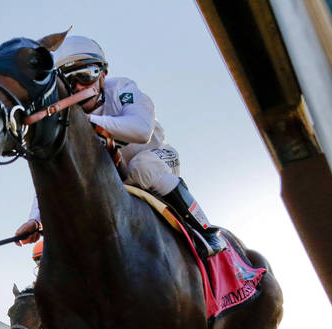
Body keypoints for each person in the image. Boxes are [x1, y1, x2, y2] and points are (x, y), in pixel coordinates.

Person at [15, 35, 227, 259]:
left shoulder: (122, 89)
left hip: (157, 160)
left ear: (103, 76)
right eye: (69, 81)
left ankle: (204, 230)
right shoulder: (67, 121)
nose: (78, 87)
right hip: (115, 183)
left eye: (86, 76)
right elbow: (55, 177)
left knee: (142, 166)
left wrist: (86, 124)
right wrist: (36, 220)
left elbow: (141, 129)